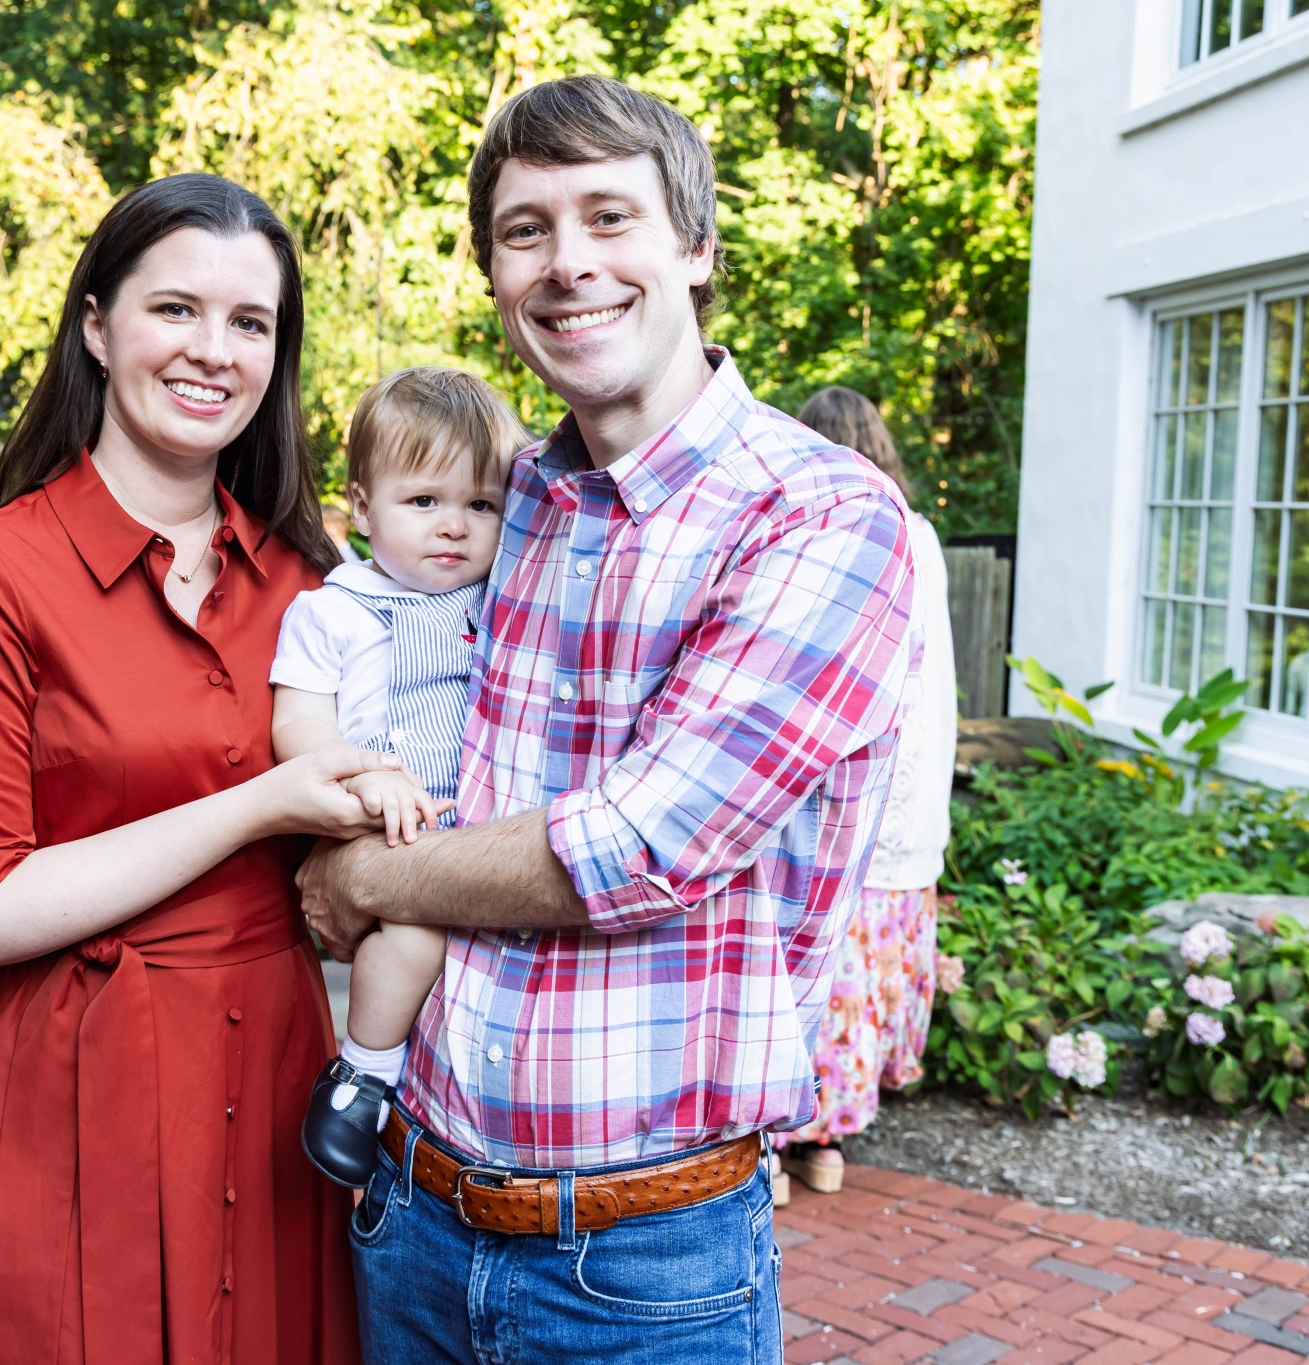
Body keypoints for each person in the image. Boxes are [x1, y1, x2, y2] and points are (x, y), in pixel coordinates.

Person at [296, 77, 919, 1365]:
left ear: (695, 249)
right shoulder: (509, 500)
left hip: (638, 1264)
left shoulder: (817, 513)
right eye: (524, 230)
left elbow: (634, 848)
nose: (567, 262)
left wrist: (360, 876)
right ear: (493, 274)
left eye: (608, 217)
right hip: (410, 1207)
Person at [0, 174, 379, 1365]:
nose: (213, 351)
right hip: (65, 1083)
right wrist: (257, 805)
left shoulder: (320, 584)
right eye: (175, 310)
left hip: (275, 1086)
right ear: (97, 327)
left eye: (249, 322)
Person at [275, 368, 524, 1185]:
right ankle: (361, 1075)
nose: (454, 525)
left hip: (486, 828)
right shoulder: (332, 610)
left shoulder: (500, 602)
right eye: (423, 501)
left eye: (481, 504)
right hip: (387, 821)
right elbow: (299, 723)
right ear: (361, 505)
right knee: (416, 936)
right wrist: (365, 777)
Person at [779, 387, 957, 1194]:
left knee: (815, 963)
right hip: (911, 791)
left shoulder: (821, 527)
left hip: (837, 784)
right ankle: (828, 1144)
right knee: (864, 970)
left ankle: (778, 1142)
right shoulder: (921, 535)